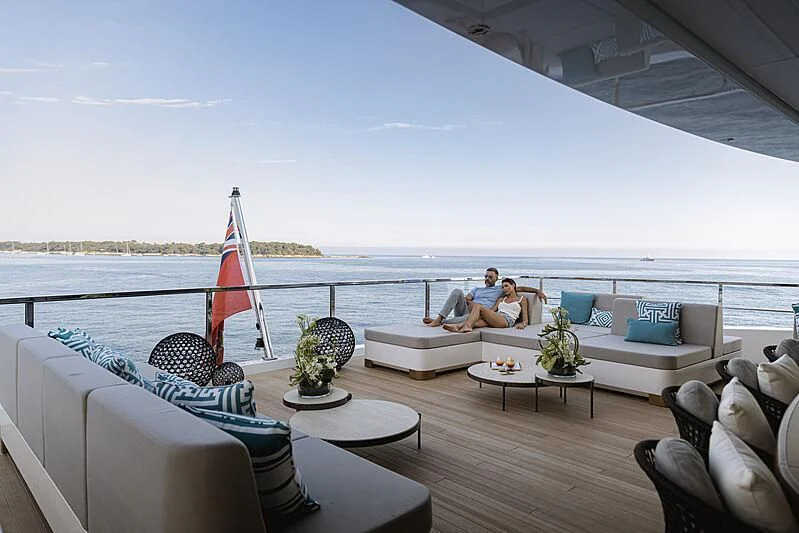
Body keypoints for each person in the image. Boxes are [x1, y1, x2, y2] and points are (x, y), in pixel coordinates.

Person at [423, 267, 547, 327]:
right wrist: (470, 303)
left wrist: (537, 291)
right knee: (456, 291)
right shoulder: (477, 289)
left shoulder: (501, 289)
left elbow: (520, 288)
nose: (487, 279)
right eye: (486, 276)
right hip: (467, 309)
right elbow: (466, 299)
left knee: (469, 318)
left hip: (479, 314)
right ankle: (440, 318)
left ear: (496, 278)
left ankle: (440, 321)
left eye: (491, 277)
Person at [444, 278, 528, 333]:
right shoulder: (501, 299)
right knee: (475, 322)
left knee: (478, 305)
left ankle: (467, 326)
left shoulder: (521, 299)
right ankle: (457, 326)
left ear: (513, 286)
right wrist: (481, 314)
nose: (504, 288)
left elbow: (525, 319)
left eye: (506, 286)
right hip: (496, 317)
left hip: (506, 320)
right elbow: (492, 311)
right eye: (502, 287)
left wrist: (522, 324)